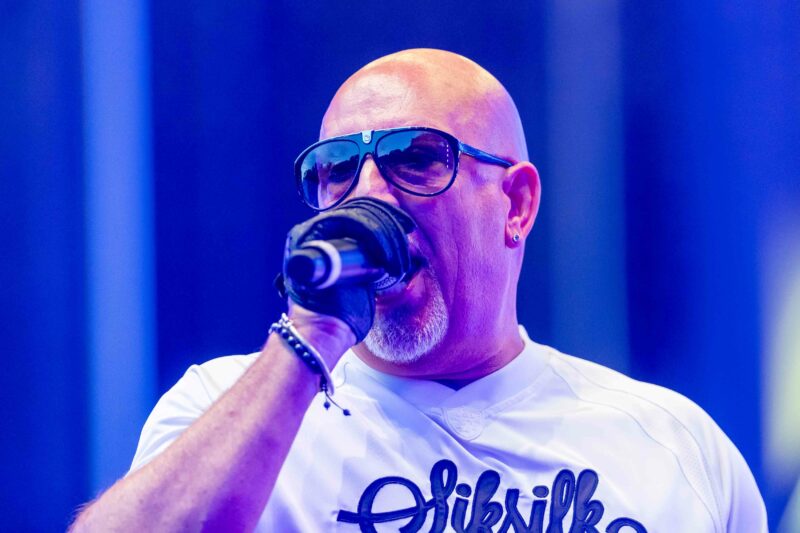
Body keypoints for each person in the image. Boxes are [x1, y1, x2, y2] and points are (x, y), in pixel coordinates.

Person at [71, 49, 767, 532]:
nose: (369, 194)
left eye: (416, 157)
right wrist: (310, 341)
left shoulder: (674, 448)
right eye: (336, 169)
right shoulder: (222, 408)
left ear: (517, 204)